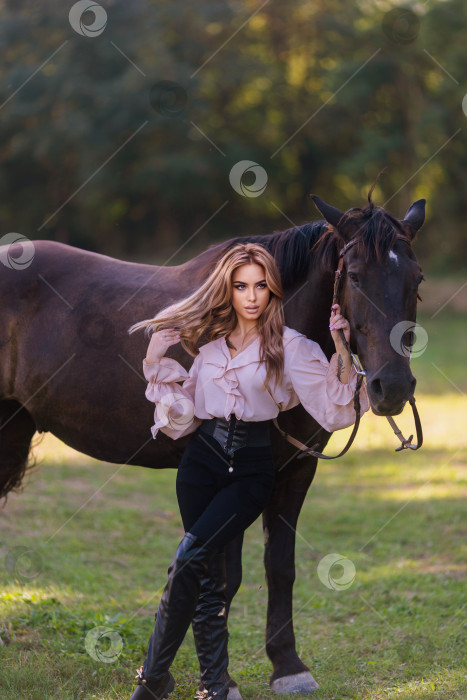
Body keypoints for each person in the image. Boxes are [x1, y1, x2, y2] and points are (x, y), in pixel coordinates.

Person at [127, 242, 370, 699]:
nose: (252, 296)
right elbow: (185, 416)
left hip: (251, 469)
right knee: (207, 575)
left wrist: (340, 347)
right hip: (200, 464)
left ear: (273, 292)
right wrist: (156, 362)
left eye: (261, 286)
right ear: (229, 291)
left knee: (188, 559)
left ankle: (152, 678)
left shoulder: (292, 347)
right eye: (241, 286)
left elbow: (337, 410)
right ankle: (213, 685)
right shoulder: (210, 349)